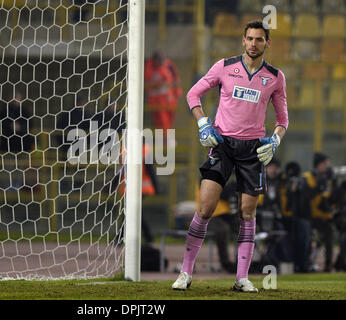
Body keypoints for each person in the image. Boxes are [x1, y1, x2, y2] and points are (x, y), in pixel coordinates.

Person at [172, 20, 289, 292]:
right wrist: (203, 123)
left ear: (267, 43)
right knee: (205, 208)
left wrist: (275, 141)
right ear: (243, 40)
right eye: (249, 38)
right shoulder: (224, 67)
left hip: (253, 151)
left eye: (259, 39)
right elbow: (193, 94)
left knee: (248, 213)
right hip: (223, 144)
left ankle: (241, 278)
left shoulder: (275, 77)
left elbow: (283, 119)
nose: (253, 44)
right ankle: (185, 273)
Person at [301, 153, 337, 272]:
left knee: (330, 231)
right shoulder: (307, 177)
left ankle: (328, 265)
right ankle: (304, 264)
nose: (327, 167)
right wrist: (319, 186)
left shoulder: (329, 179)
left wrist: (334, 184)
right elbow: (305, 197)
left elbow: (332, 200)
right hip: (308, 217)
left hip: (324, 217)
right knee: (306, 232)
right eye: (324, 164)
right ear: (318, 165)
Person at [144, 51, 182, 144]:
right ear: (155, 60)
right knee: (161, 119)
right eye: (159, 61)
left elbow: (175, 78)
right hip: (156, 99)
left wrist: (177, 91)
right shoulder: (149, 67)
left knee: (170, 118)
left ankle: (165, 137)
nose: (161, 63)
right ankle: (166, 138)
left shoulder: (169, 65)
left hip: (169, 97)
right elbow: (149, 83)